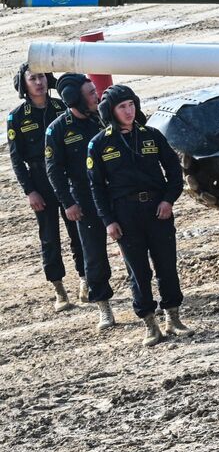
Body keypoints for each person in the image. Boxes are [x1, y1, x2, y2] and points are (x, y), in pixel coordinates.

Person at [86, 84, 187, 347]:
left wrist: (168, 200)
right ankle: (150, 323)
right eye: (122, 107)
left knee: (166, 265)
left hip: (157, 210)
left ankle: (173, 317)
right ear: (111, 111)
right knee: (138, 271)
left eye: (131, 105)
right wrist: (108, 220)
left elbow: (175, 172)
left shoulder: (151, 136)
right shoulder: (99, 145)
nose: (129, 111)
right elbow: (96, 187)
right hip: (125, 215)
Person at [8, 62, 84, 311]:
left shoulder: (62, 107)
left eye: (41, 77)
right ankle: (59, 290)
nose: (39, 83)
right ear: (24, 84)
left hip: (65, 178)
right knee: (49, 237)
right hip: (40, 181)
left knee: (78, 231)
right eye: (33, 78)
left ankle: (86, 280)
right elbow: (17, 159)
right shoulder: (17, 117)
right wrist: (29, 191)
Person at [45, 72, 115, 330]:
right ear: (74, 99)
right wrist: (68, 203)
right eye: (90, 93)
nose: (96, 96)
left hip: (114, 194)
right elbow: (54, 170)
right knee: (94, 255)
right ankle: (103, 307)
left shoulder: (103, 118)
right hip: (84, 200)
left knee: (134, 248)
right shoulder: (58, 129)